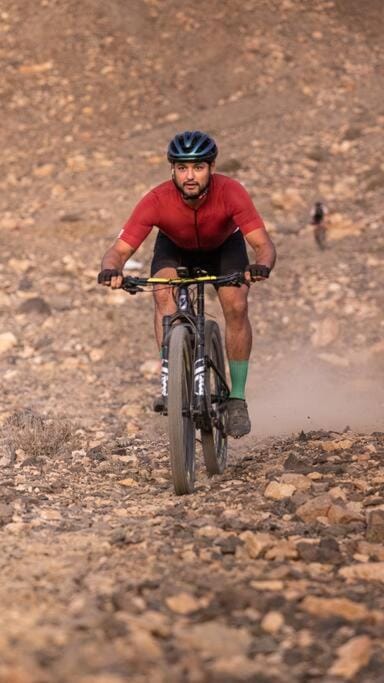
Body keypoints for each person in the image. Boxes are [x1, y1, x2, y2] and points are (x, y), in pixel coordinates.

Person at [98, 130, 276, 438]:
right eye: (182, 168)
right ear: (172, 170)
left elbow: (264, 244)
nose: (190, 176)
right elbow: (120, 250)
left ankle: (237, 399)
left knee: (236, 304)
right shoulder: (156, 200)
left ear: (211, 167)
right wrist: (111, 269)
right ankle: (171, 382)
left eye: (197, 167)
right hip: (175, 249)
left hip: (224, 249)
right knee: (163, 295)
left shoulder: (231, 192)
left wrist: (260, 265)